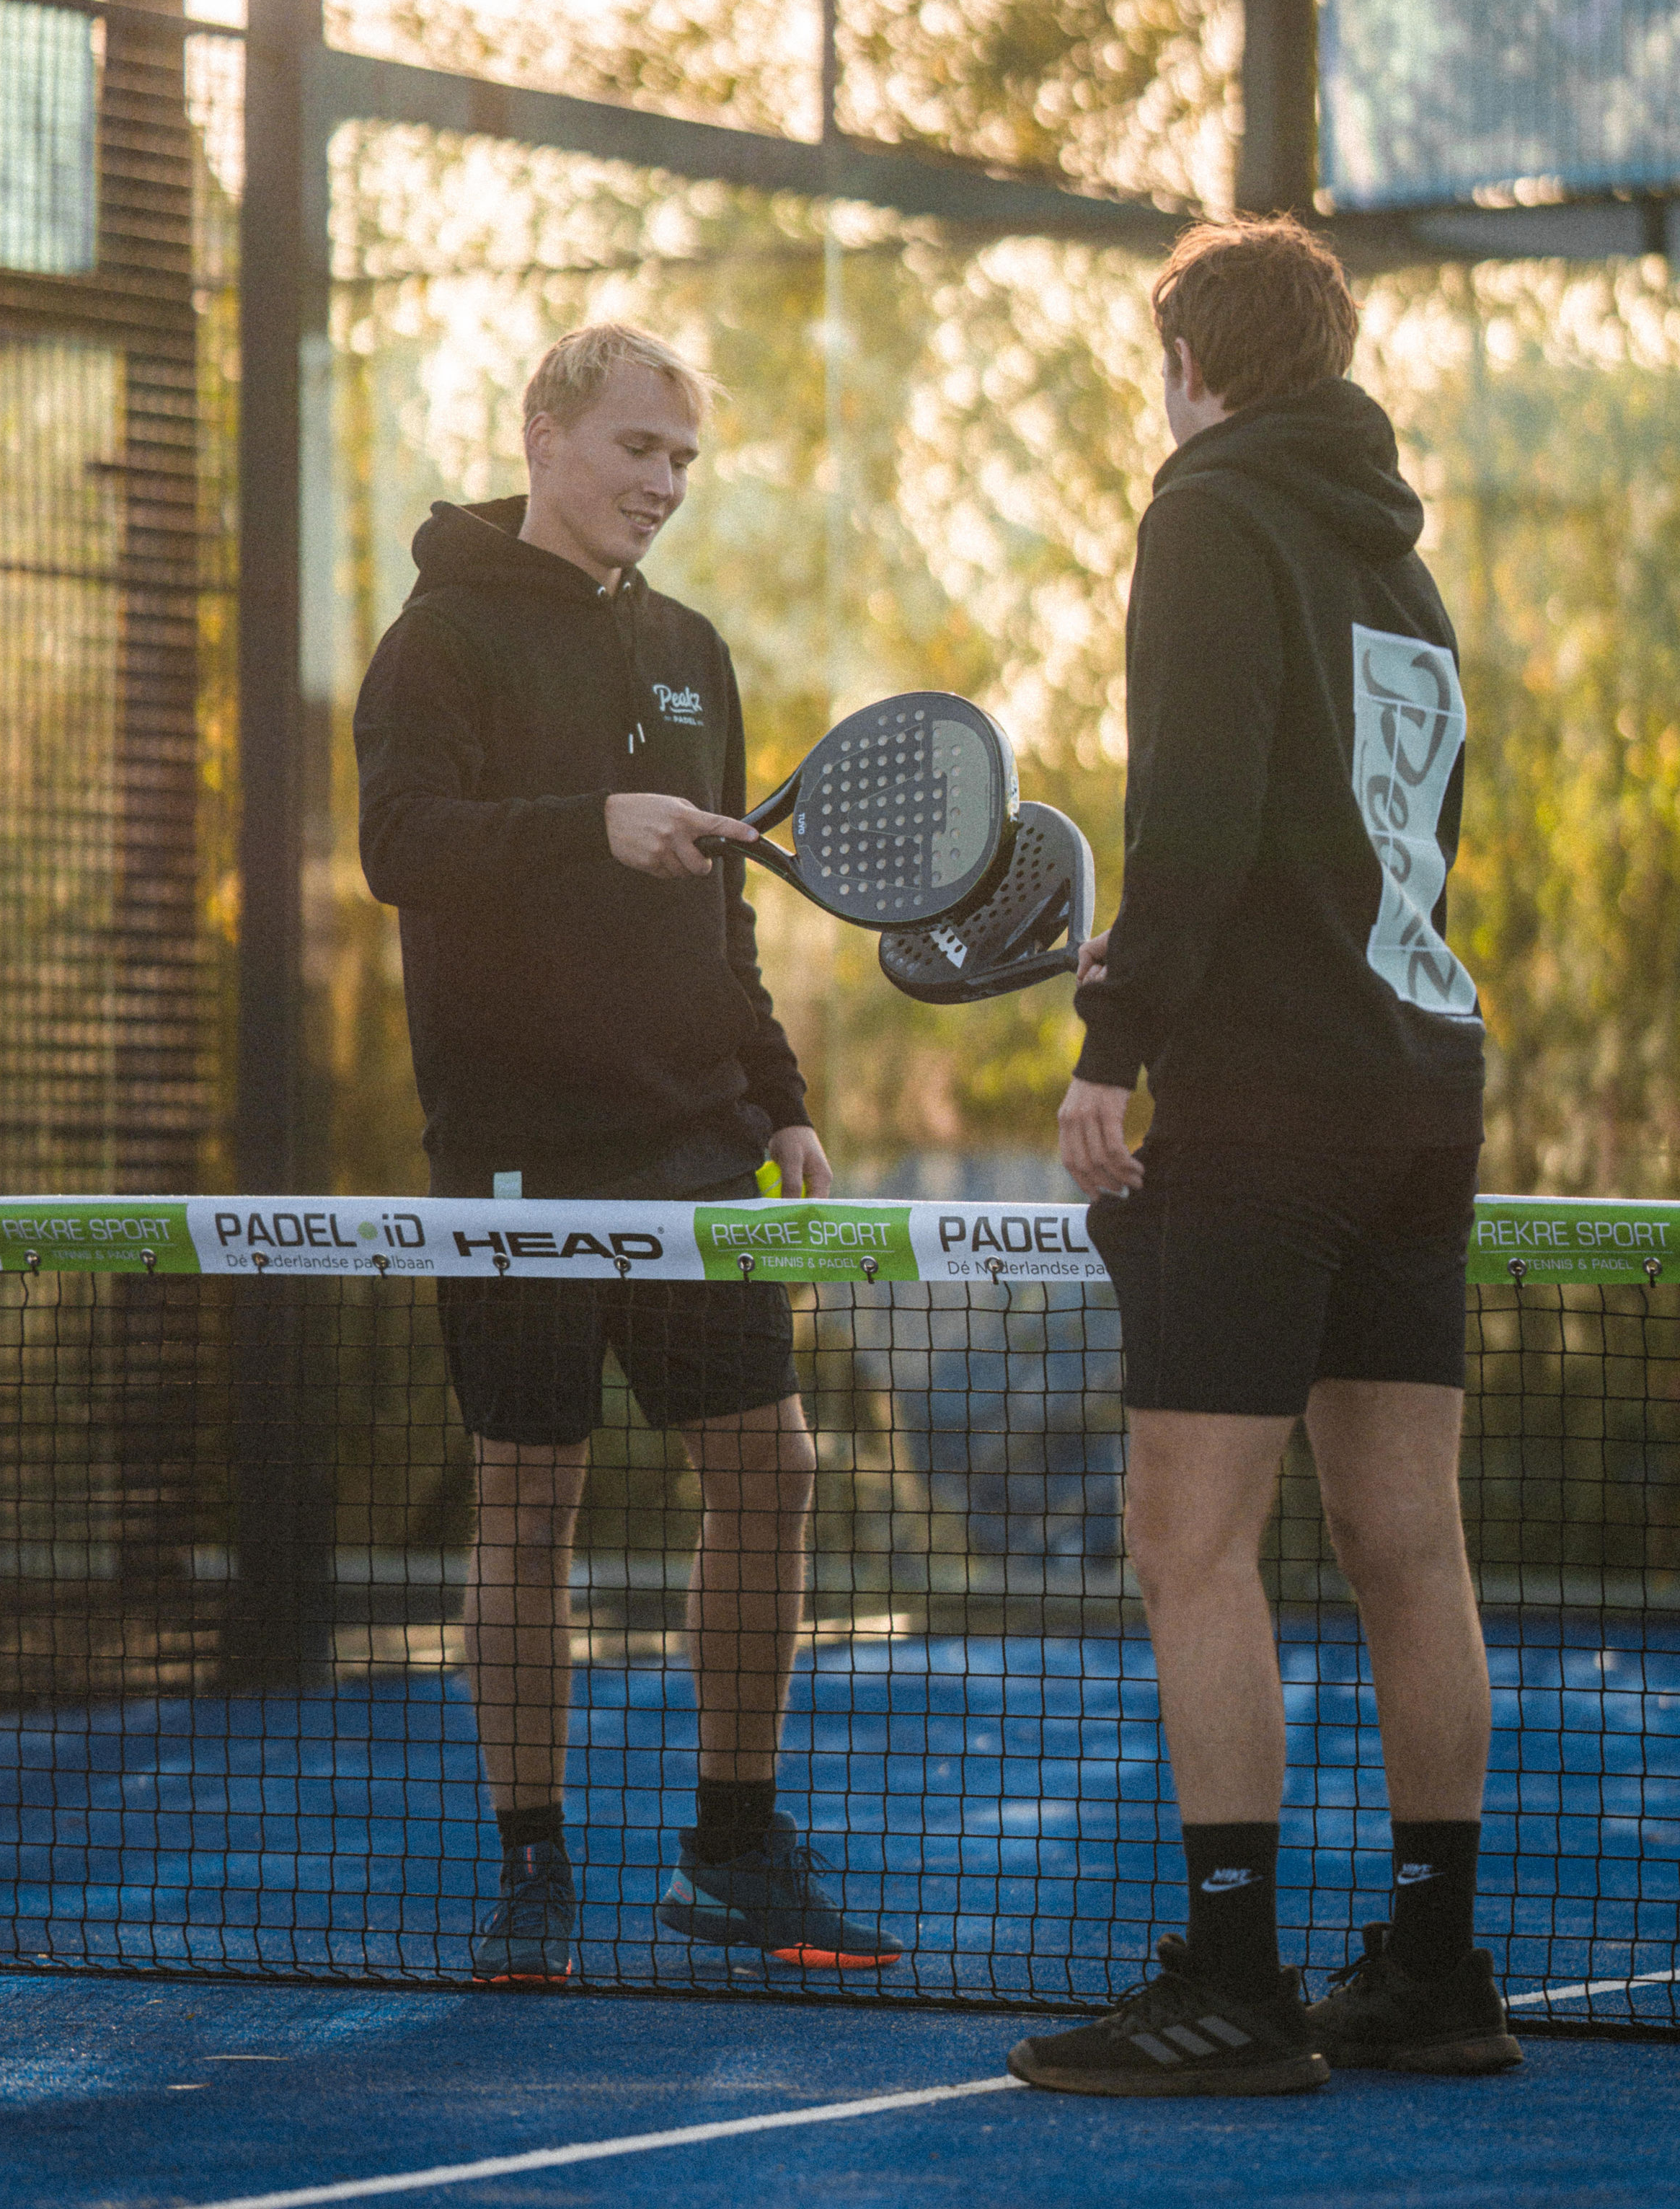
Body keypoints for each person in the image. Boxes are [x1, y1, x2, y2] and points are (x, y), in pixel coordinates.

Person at [1009, 217, 1520, 2099]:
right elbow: (1405, 842)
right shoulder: (1404, 563)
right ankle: (1439, 1972)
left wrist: (1114, 1043)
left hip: (1273, 1104)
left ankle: (1233, 1984)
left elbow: (1199, 810)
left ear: (1194, 365)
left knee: (1186, 1545)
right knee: (1409, 1544)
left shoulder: (1208, 508)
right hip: (1422, 1093)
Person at [354, 321, 901, 1983]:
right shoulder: (434, 644)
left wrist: (783, 1098)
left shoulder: (694, 654)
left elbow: (722, 915)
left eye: (681, 460)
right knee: (529, 1503)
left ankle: (733, 1849)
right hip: (517, 1160)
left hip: (695, 1159)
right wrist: (587, 828)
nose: (661, 483)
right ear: (544, 433)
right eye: (635, 449)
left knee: (774, 1470)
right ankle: (535, 1869)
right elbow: (398, 849)